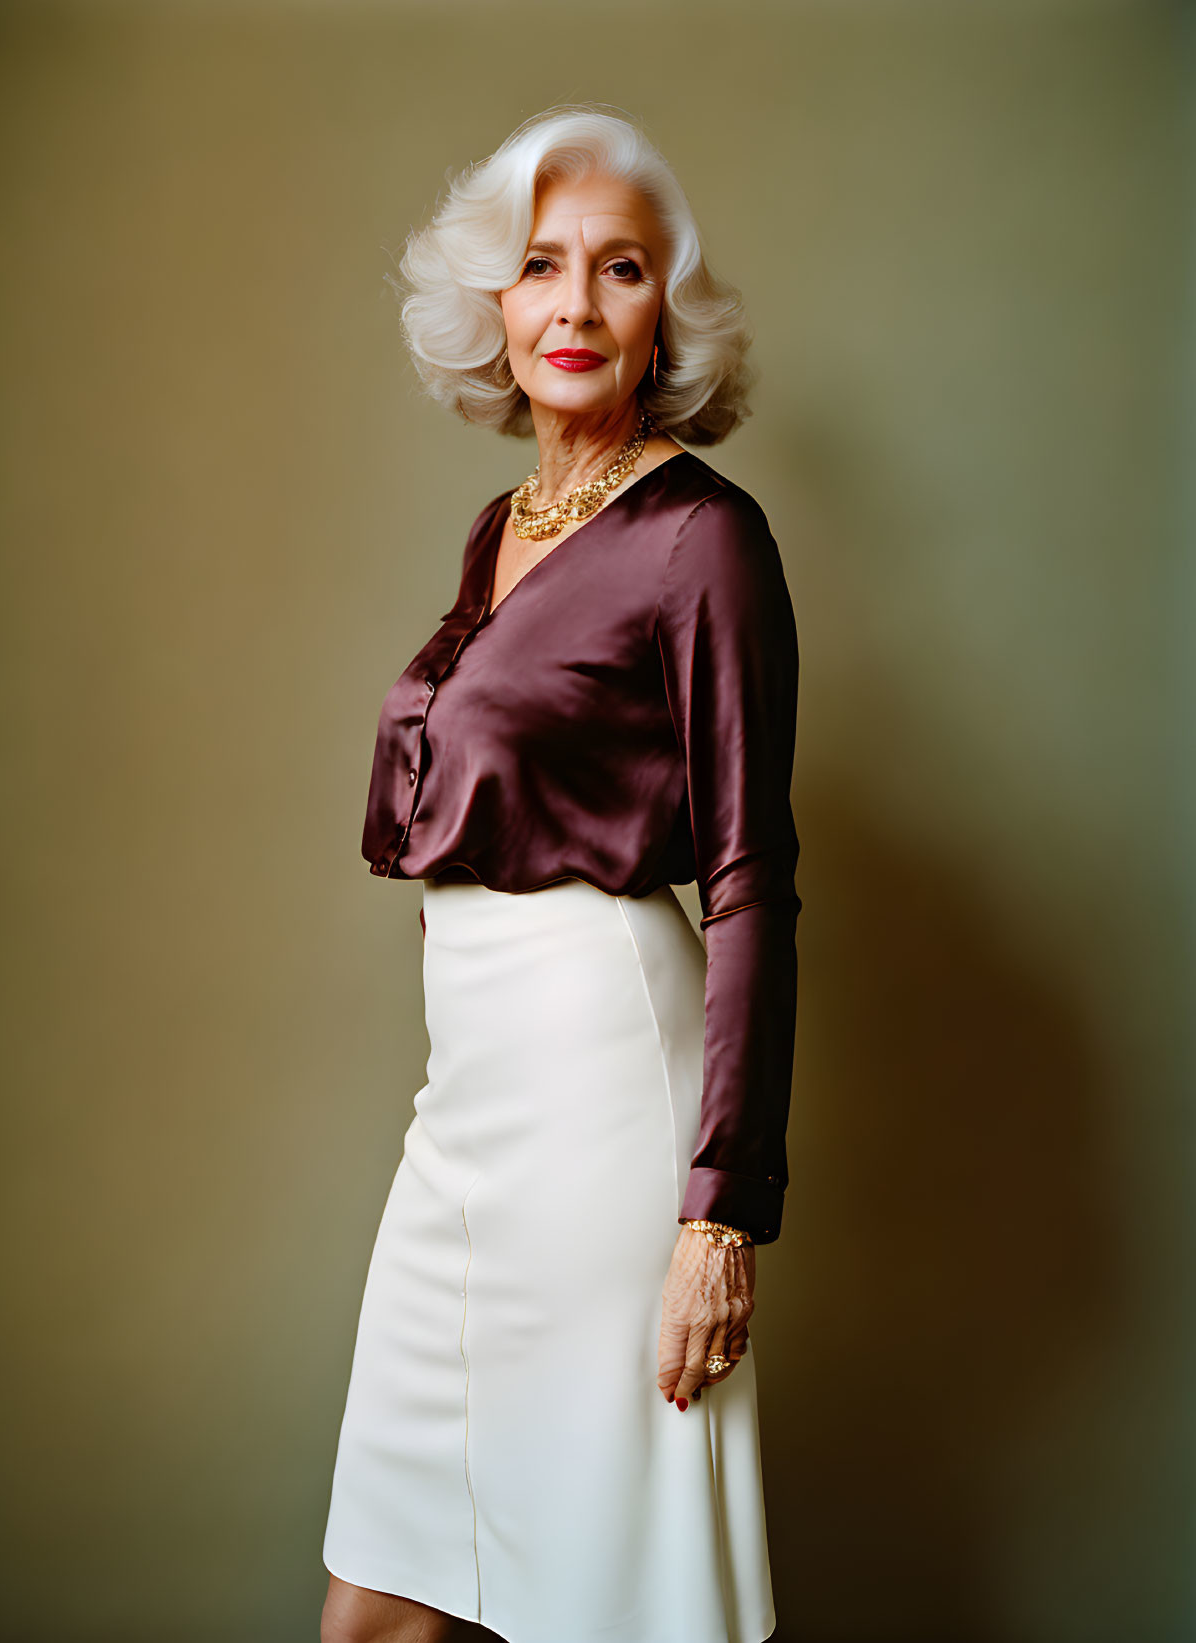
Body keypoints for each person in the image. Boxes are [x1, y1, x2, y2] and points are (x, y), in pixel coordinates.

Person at [320, 103, 802, 1643]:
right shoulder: (502, 526)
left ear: (666, 309)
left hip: (609, 1100)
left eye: (619, 269)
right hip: (465, 1106)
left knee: (605, 1596)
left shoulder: (703, 541)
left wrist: (715, 1217)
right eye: (539, 267)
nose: (574, 306)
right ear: (495, 303)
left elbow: (749, 880)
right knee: (384, 1611)